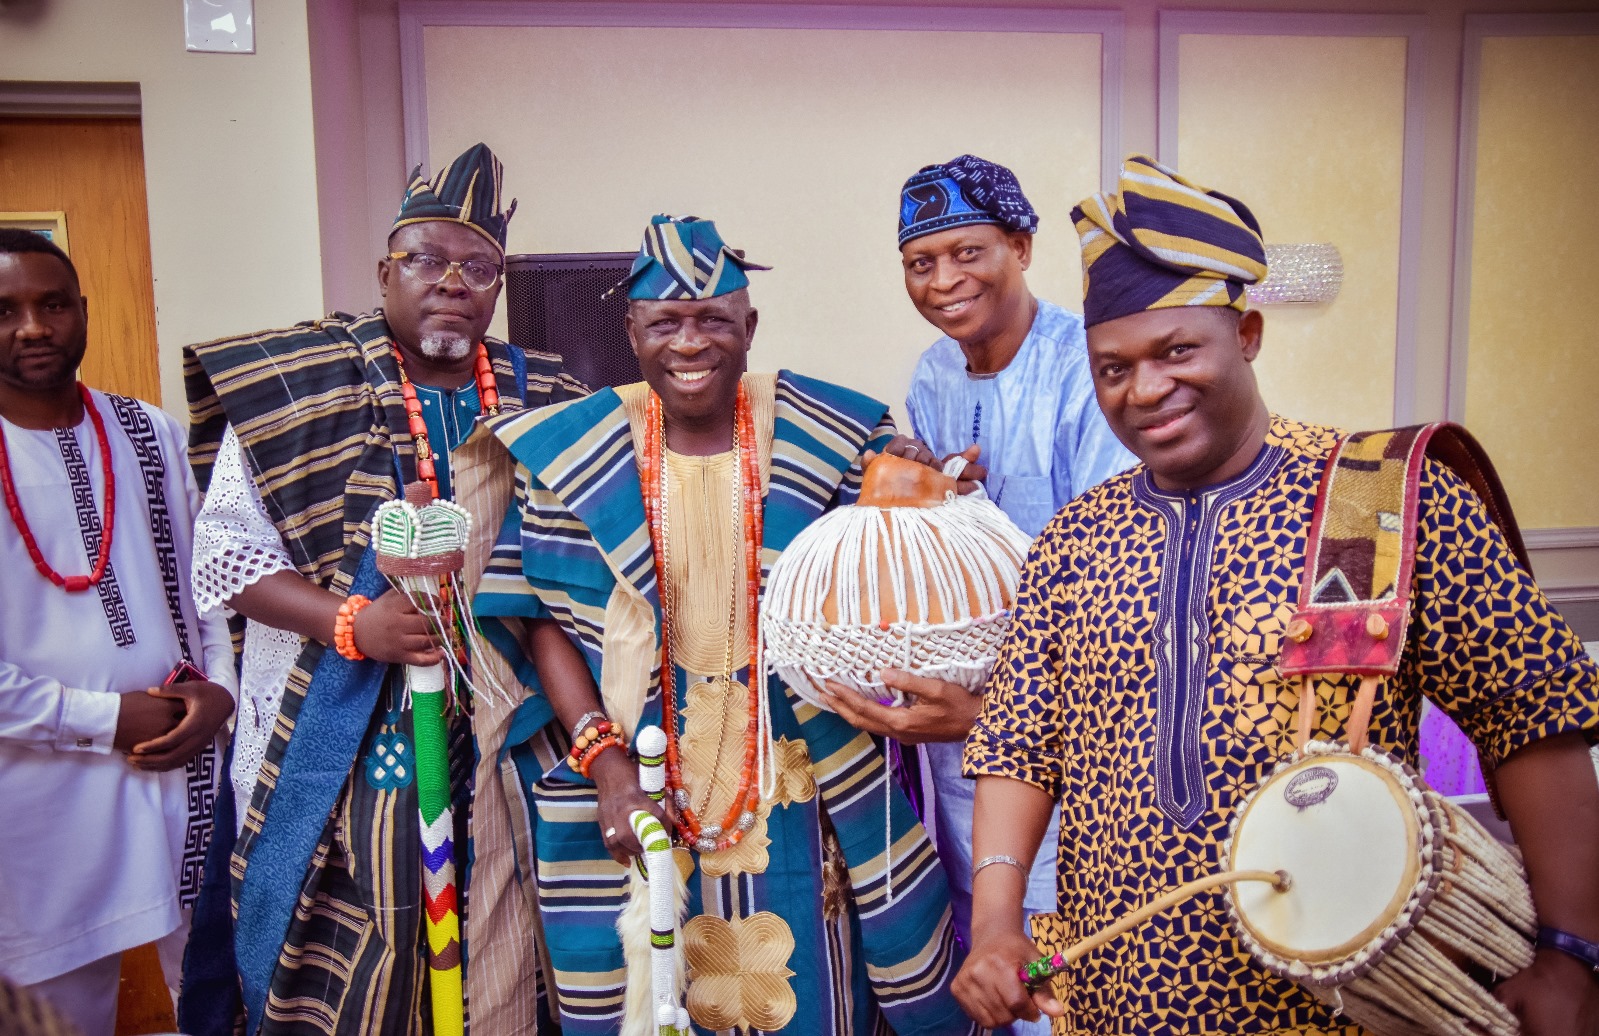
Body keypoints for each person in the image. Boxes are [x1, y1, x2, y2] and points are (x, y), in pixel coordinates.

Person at [950, 155, 1599, 1035]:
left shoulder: (1377, 499)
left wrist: (1568, 951)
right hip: (1114, 1003)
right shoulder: (1074, 540)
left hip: (1340, 1008)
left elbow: (1531, 714)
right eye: (1112, 369)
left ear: (1246, 334)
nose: (1144, 390)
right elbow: (1018, 745)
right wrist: (995, 924)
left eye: (1177, 351)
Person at [465, 214, 978, 1035]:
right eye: (664, 323)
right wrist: (606, 768)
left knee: (816, 1000)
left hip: (798, 785)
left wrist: (915, 490)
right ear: (630, 333)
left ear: (750, 326)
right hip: (637, 782)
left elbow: (889, 576)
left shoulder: (830, 435)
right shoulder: (573, 453)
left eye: (712, 319)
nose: (688, 342)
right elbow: (538, 618)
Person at [181, 143, 585, 1035]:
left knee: (508, 934)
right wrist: (353, 622)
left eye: (477, 268)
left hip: (511, 716)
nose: (452, 283)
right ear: (384, 272)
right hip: (351, 722)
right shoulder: (299, 379)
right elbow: (227, 555)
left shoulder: (548, 391)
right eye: (427, 260)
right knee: (367, 941)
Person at [852, 157, 1134, 1015]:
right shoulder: (933, 376)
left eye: (967, 252)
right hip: (958, 732)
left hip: (1070, 732)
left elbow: (1110, 576)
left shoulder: (1086, 368)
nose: (943, 281)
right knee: (986, 962)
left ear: (1021, 246)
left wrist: (990, 715)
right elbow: (947, 548)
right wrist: (924, 489)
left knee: (1062, 977)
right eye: (920, 262)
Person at [0, 228, 236, 1036]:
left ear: (84, 312)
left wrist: (220, 691)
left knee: (218, 993)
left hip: (184, 768)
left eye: (53, 305)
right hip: (40, 799)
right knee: (59, 1016)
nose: (34, 327)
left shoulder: (147, 431)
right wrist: (103, 719)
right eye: (6, 311)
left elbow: (211, 584)